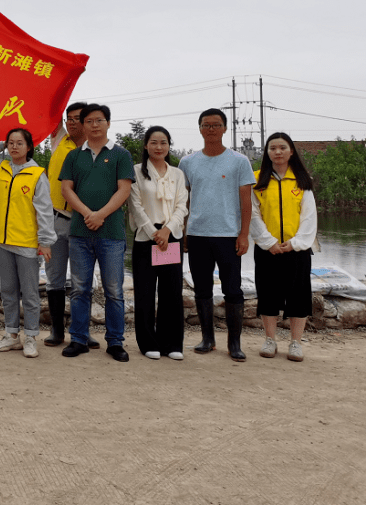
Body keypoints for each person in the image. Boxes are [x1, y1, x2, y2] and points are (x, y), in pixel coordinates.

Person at [59, 103, 134, 362]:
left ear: (108, 123)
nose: (93, 125)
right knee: (80, 289)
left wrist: (100, 215)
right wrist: (87, 214)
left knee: (114, 290)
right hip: (80, 232)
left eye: (98, 120)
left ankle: (115, 342)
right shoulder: (73, 156)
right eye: (88, 121)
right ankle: (78, 338)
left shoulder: (120, 155)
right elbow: (66, 189)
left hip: (111, 233)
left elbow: (124, 190)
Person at [179, 108, 255, 362]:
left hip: (228, 235)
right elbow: (185, 200)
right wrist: (184, 229)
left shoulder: (239, 161)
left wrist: (244, 234)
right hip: (198, 235)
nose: (211, 129)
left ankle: (234, 343)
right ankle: (207, 338)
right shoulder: (187, 163)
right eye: (206, 125)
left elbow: (246, 203)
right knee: (202, 289)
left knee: (233, 289)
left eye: (216, 125)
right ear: (199, 129)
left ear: (224, 129)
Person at [0, 127, 55, 358]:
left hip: (27, 243)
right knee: (8, 291)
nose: (14, 147)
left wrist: (45, 241)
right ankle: (11, 335)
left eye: (19, 143)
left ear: (29, 147)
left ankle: (30, 337)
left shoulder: (37, 174)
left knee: (30, 294)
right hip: (2, 241)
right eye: (11, 143)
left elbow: (44, 210)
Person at [250, 132, 318, 362]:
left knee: (299, 295)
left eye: (282, 148)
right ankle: (270, 340)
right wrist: (268, 242)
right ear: (267, 153)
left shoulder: (301, 179)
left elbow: (309, 216)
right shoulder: (257, 180)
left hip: (296, 250)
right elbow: (252, 214)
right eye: (272, 148)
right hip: (267, 249)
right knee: (268, 294)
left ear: (291, 151)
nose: (277, 152)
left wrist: (296, 243)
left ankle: (296, 343)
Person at [126, 126, 189, 360]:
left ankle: (172, 343)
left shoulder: (177, 174)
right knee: (144, 292)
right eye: (154, 142)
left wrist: (167, 230)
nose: (159, 147)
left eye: (163, 142)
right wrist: (155, 232)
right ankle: (147, 343)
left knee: (171, 292)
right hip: (146, 238)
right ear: (146, 145)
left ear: (169, 145)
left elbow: (182, 204)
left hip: (171, 238)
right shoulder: (136, 172)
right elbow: (136, 206)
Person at [44, 101, 95, 348]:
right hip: (56, 221)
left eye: (77, 118)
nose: (71, 122)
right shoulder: (58, 141)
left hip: (85, 222)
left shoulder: (95, 147)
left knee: (82, 280)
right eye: (69, 118)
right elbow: (51, 108)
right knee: (54, 278)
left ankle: (82, 330)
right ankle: (56, 330)